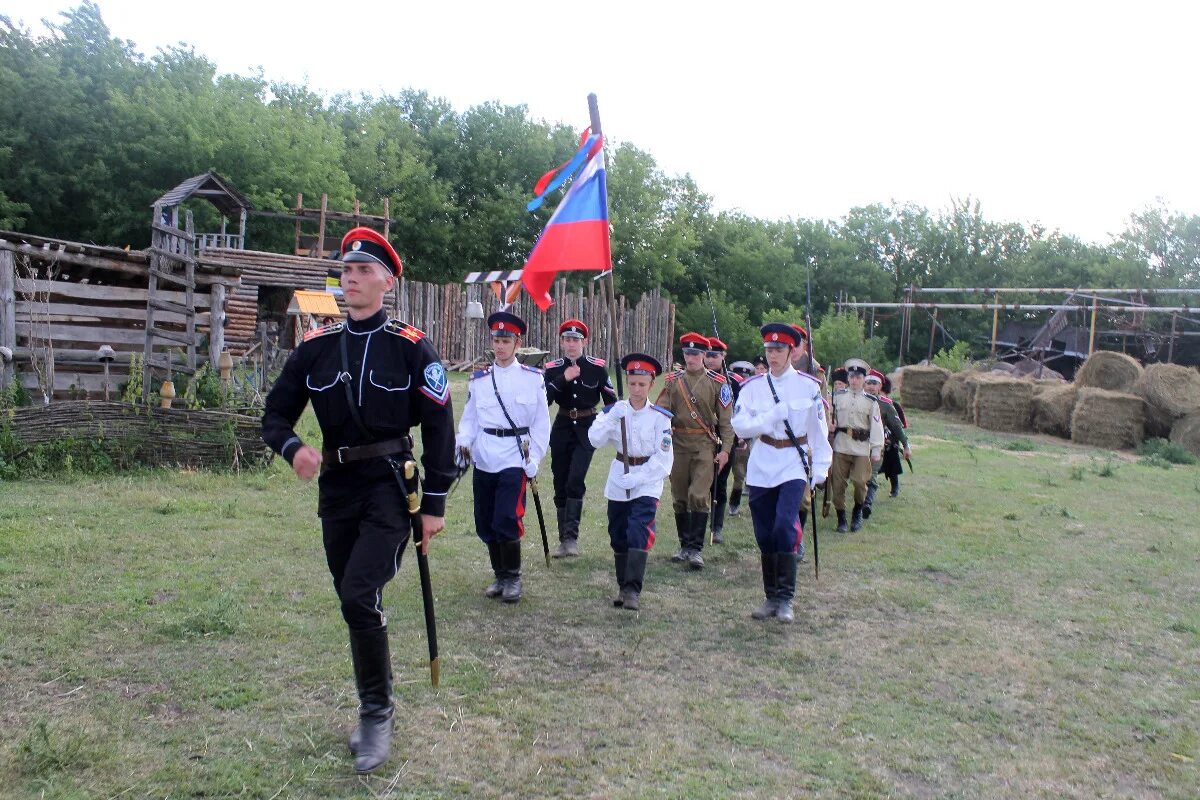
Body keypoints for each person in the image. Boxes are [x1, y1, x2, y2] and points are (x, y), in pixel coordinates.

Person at [262, 227, 456, 774]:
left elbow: (440, 425)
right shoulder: (316, 350)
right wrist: (293, 447)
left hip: (392, 486)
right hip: (338, 488)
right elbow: (273, 417)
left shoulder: (411, 346)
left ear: (387, 282)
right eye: (346, 270)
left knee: (357, 591)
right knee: (355, 600)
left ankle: (377, 713)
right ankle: (374, 702)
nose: (351, 278)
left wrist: (435, 504)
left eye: (364, 271)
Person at [731, 324, 832, 623]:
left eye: (778, 350)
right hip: (762, 463)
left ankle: (786, 599)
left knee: (784, 527)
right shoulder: (752, 388)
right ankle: (771, 596)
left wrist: (822, 467)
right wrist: (768, 418)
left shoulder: (808, 387)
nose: (772, 355)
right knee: (764, 533)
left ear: (791, 351)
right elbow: (740, 426)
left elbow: (818, 430)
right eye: (769, 350)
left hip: (792, 462)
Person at [455, 311, 550, 604]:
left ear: (517, 343)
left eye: (506, 340)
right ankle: (498, 574)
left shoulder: (532, 379)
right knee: (485, 519)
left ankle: (513, 577)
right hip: (484, 455)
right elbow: (470, 419)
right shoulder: (480, 379)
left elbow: (540, 424)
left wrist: (534, 456)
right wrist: (463, 445)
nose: (500, 346)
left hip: (514, 457)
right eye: (496, 340)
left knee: (507, 516)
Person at [587, 353, 673, 611]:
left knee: (638, 530)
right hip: (618, 479)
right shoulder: (615, 411)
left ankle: (633, 590)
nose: (636, 390)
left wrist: (638, 477)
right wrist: (613, 417)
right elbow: (594, 439)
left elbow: (664, 460)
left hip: (647, 480)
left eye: (642, 385)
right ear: (627, 380)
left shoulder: (660, 417)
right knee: (618, 533)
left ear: (651, 383)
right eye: (632, 383)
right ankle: (623, 586)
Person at [654, 332, 735, 569]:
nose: (691, 357)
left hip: (704, 446)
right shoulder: (672, 381)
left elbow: (726, 423)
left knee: (699, 495)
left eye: (696, 353)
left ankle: (696, 549)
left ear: (703, 355)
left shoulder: (718, 383)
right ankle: (684, 545)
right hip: (678, 445)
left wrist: (726, 451)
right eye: (688, 353)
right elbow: (660, 412)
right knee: (679, 496)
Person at [543, 319, 617, 558]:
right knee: (559, 480)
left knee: (575, 479)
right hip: (562, 426)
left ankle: (571, 538)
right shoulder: (553, 367)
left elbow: (611, 403)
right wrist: (563, 378)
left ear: (584, 342)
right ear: (562, 342)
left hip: (587, 428)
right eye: (567, 339)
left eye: (576, 340)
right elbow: (543, 400)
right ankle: (563, 539)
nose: (571, 344)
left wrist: (611, 427)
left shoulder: (597, 368)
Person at [829, 358, 883, 533]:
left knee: (860, 482)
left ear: (863, 379)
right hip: (841, 446)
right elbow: (828, 418)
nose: (854, 380)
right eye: (851, 376)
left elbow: (876, 425)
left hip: (861, 448)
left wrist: (876, 449)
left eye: (858, 377)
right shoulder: (836, 397)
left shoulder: (871, 401)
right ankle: (841, 518)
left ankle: (857, 513)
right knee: (837, 486)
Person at [703, 337, 744, 543]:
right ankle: (699, 524)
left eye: (715, 356)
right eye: (708, 355)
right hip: (702, 436)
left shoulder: (734, 381)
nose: (710, 360)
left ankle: (716, 526)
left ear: (723, 357)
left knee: (719, 485)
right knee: (701, 484)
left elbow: (742, 411)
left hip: (726, 436)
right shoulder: (697, 378)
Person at [862, 369, 909, 518]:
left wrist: (906, 445)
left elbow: (897, 426)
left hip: (877, 446)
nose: (870, 386)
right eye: (868, 383)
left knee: (872, 475)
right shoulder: (855, 400)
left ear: (880, 386)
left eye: (874, 383)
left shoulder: (887, 405)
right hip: (856, 446)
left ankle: (867, 504)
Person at [880, 375, 910, 497]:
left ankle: (895, 487)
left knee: (892, 463)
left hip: (890, 442)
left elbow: (899, 427)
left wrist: (891, 440)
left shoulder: (894, 406)